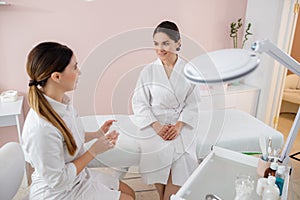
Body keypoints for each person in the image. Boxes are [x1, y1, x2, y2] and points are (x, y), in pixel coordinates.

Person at [22, 42, 135, 200]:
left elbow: (69, 139)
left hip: (77, 178)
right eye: (74, 67)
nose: (79, 72)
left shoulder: (64, 105)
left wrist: (97, 134)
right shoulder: (41, 129)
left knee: (129, 192)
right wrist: (94, 151)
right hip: (58, 193)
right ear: (56, 77)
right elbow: (58, 181)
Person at [132, 21, 200, 200]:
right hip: (154, 123)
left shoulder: (190, 71)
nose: (160, 49)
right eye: (156, 43)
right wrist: (156, 126)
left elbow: (193, 104)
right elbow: (139, 103)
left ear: (178, 43)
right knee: (157, 152)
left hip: (181, 124)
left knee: (182, 158)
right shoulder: (148, 71)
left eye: (165, 43)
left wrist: (178, 126)